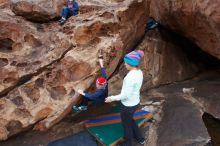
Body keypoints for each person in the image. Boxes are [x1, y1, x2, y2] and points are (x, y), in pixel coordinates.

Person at [105, 50, 145, 146]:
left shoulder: (130, 77)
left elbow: (125, 95)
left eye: (126, 62)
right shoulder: (139, 72)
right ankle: (140, 138)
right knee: (130, 120)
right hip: (135, 102)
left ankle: (128, 143)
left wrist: (111, 98)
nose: (125, 64)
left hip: (128, 105)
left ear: (131, 63)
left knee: (126, 126)